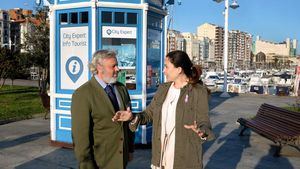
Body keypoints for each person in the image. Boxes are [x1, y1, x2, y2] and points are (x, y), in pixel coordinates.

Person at [113, 50, 215, 169]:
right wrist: (132, 117)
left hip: (185, 158)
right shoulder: (163, 89)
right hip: (160, 157)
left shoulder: (198, 91)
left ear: (179, 69)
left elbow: (204, 122)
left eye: (166, 67)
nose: (163, 71)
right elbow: (149, 114)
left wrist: (201, 131)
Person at [71, 50, 135, 169]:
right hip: (100, 162)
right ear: (100, 68)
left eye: (117, 65)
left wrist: (130, 149)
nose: (118, 69)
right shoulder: (83, 94)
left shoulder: (121, 89)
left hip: (121, 160)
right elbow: (81, 137)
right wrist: (87, 165)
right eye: (113, 66)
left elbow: (128, 122)